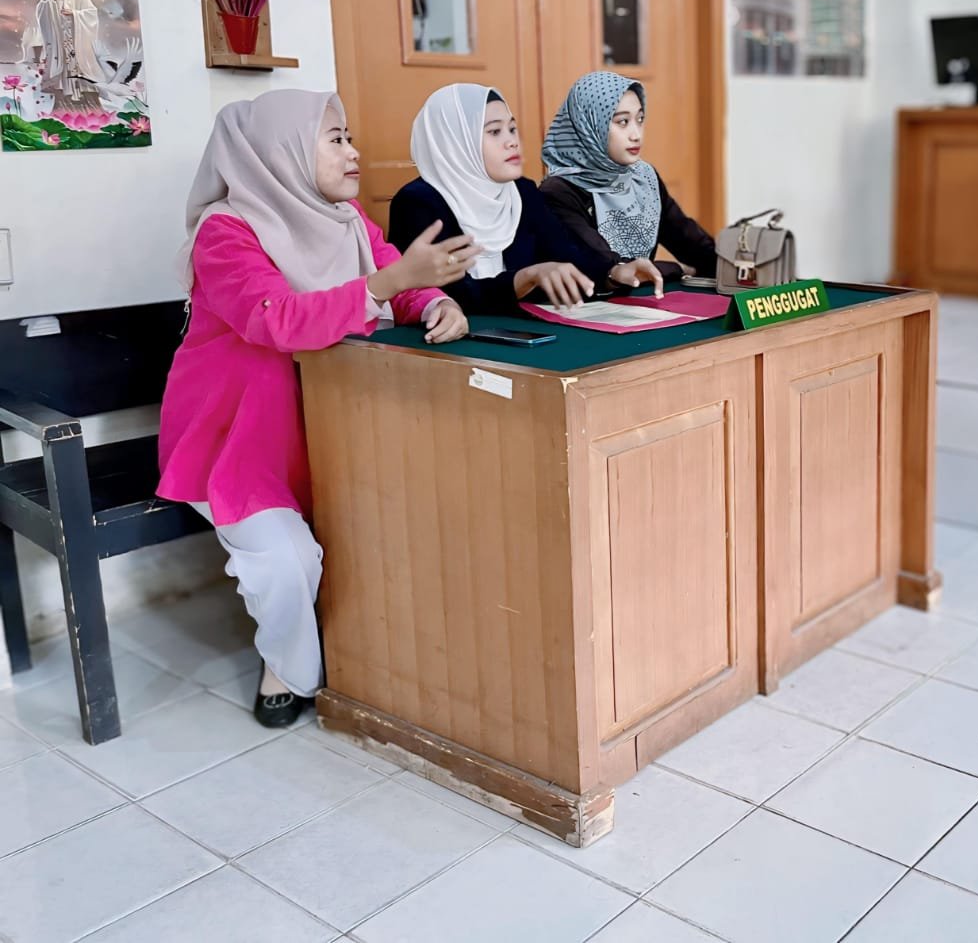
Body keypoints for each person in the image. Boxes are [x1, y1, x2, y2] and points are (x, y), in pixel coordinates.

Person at [157, 89, 476, 728]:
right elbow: (275, 318)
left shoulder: (347, 219)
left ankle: (380, 655)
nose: (353, 152)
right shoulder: (225, 232)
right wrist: (391, 284)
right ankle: (290, 668)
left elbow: (397, 282)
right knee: (286, 560)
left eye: (349, 137)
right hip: (239, 437)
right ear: (280, 152)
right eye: (335, 140)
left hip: (334, 425)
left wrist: (437, 303)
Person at [390, 83, 662, 313]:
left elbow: (568, 255)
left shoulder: (521, 192)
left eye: (512, 129)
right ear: (455, 142)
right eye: (494, 132)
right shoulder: (418, 203)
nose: (512, 141)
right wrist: (524, 279)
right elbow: (446, 293)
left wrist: (613, 273)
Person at [540, 71, 718, 284]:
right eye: (622, 122)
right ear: (588, 125)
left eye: (640, 120)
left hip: (643, 301)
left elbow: (689, 241)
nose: (636, 135)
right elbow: (610, 267)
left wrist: (734, 265)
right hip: (591, 303)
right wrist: (681, 269)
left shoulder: (643, 177)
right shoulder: (558, 192)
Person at [23, 0, 109, 113]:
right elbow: (41, 9)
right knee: (64, 68)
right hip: (60, 39)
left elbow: (91, 13)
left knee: (78, 67)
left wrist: (75, 14)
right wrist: (50, 6)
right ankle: (66, 101)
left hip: (77, 38)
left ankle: (84, 101)